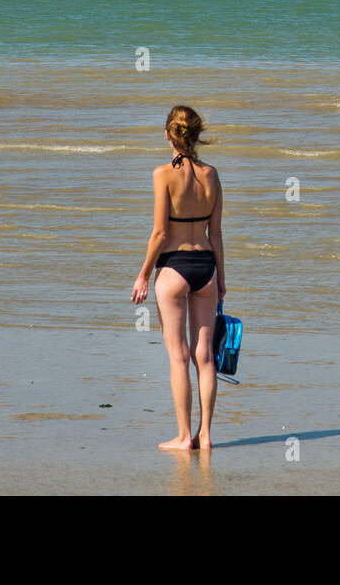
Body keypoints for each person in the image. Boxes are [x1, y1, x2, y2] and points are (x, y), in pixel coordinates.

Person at [131, 105, 224, 451]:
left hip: (173, 268)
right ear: (196, 135)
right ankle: (207, 435)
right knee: (205, 357)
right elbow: (216, 235)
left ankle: (184, 437)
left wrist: (142, 276)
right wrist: (223, 279)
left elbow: (159, 234)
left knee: (178, 356)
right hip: (206, 268)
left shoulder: (162, 175)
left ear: (168, 135)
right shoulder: (212, 174)